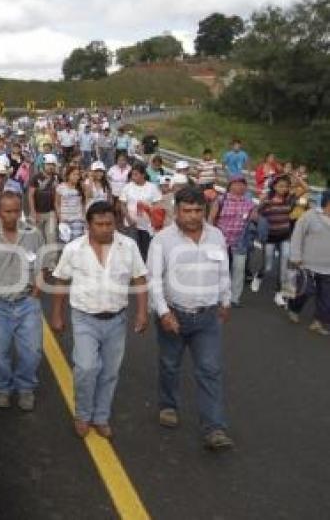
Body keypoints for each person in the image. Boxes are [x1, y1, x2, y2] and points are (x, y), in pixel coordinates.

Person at [147, 186, 234, 451]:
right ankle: (168, 405)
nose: (193, 216)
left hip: (207, 317)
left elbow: (223, 270)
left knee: (210, 369)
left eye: (198, 210)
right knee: (170, 364)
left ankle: (214, 427)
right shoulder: (162, 240)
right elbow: (154, 280)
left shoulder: (216, 235)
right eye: (187, 211)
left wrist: (226, 299)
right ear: (176, 211)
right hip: (174, 315)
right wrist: (163, 312)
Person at [51, 201, 148, 438]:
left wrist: (142, 312)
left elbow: (140, 279)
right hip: (84, 319)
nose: (105, 229)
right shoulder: (74, 249)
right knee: (86, 368)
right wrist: (56, 314)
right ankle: (83, 414)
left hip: (116, 319)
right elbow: (61, 281)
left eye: (110, 224)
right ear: (89, 225)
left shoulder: (129, 246)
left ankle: (101, 417)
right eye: (100, 224)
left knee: (110, 372)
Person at [0, 191, 49, 411]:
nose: (13, 216)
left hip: (27, 302)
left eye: (16, 211)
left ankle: (25, 388)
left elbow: (43, 265)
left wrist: (36, 293)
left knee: (32, 350)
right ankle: (2, 388)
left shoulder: (33, 235)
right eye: (8, 212)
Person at [287, 190, 330, 335]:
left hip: (328, 267)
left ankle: (319, 321)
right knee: (305, 291)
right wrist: (295, 256)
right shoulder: (310, 216)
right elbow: (297, 236)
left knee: (326, 298)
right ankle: (293, 308)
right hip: (307, 264)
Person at [208, 174, 255, 307]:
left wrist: (261, 207)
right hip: (221, 240)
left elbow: (254, 220)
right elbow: (211, 218)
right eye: (237, 183)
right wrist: (209, 236)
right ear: (230, 186)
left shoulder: (249, 203)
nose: (240, 186)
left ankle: (234, 298)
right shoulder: (221, 200)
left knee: (239, 270)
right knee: (221, 270)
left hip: (240, 241)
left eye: (242, 184)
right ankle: (217, 296)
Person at [252, 175, 296, 307]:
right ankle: (258, 277)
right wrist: (262, 226)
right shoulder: (267, 201)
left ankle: (279, 293)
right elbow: (255, 215)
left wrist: (296, 180)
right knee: (268, 266)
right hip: (270, 237)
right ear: (274, 186)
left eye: (286, 186)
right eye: (281, 186)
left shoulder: (289, 200)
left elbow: (305, 190)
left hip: (285, 237)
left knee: (284, 266)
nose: (284, 188)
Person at [119, 163, 162, 261]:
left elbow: (157, 204)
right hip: (131, 224)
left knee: (146, 248)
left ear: (143, 175)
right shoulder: (127, 187)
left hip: (147, 225)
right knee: (132, 247)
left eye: (136, 174)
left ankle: (145, 269)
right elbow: (122, 204)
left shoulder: (152, 187)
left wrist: (151, 214)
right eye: (132, 174)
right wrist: (129, 219)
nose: (133, 177)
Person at [28, 153, 60, 268]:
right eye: (48, 164)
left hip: (50, 213)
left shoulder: (56, 178)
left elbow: (57, 196)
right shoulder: (35, 178)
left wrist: (58, 214)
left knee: (51, 237)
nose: (50, 167)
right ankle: (39, 263)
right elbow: (31, 195)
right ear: (43, 165)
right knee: (38, 239)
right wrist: (33, 212)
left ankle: (52, 263)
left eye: (53, 165)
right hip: (38, 213)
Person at [56, 165, 86, 244]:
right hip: (65, 219)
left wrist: (83, 217)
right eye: (74, 174)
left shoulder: (81, 187)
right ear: (68, 175)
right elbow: (57, 203)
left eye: (78, 174)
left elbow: (84, 203)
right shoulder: (60, 187)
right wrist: (60, 218)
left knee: (77, 243)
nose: (76, 177)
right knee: (66, 244)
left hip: (77, 219)